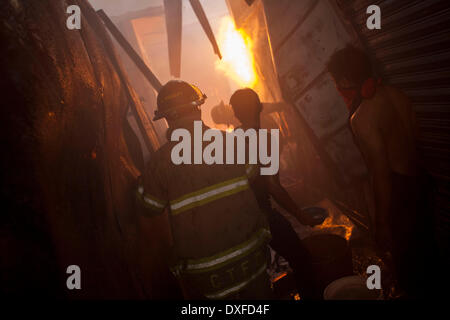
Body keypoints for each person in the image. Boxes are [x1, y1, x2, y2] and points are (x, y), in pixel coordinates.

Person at [136, 80, 272, 299]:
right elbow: (254, 177)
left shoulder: (158, 164)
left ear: (168, 118)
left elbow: (148, 209)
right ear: (198, 108)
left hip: (206, 279)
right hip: (252, 262)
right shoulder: (233, 144)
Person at [327, 45, 435, 298]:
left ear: (344, 81)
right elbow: (416, 141)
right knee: (429, 254)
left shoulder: (362, 118)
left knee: (410, 269)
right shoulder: (398, 95)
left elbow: (381, 174)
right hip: (420, 183)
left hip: (398, 194)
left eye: (336, 83)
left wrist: (382, 223)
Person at [229, 88, 323, 299]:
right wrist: (301, 215)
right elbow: (272, 185)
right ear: (261, 107)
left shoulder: (232, 138)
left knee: (259, 276)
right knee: (302, 260)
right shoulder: (265, 139)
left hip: (240, 221)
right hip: (263, 215)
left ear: (235, 114)